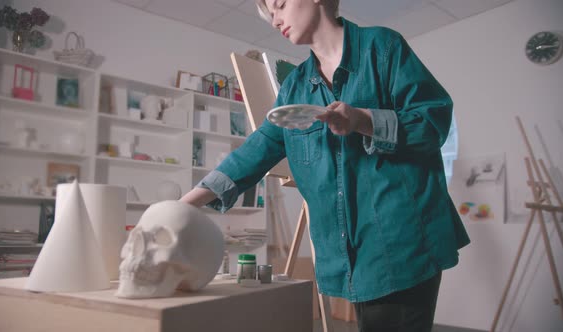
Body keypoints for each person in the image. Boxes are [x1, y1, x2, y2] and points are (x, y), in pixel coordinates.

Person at [180, 0, 470, 331]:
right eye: (270, 15)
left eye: (279, 5)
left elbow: (433, 120)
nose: (275, 20)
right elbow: (258, 148)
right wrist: (184, 206)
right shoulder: (294, 86)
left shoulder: (383, 47)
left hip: (403, 241)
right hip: (349, 252)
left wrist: (364, 120)